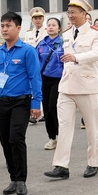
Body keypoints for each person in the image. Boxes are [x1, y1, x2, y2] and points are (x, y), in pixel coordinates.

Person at [0, 12, 42, 195]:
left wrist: (36, 103)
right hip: (2, 103)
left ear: (18, 28)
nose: (4, 29)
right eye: (2, 26)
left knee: (16, 138)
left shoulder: (27, 51)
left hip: (21, 102)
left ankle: (21, 180)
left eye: (8, 26)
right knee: (5, 141)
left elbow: (35, 78)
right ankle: (13, 177)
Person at [45, 0, 98, 180]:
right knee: (64, 126)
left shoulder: (97, 33)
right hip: (66, 86)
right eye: (68, 12)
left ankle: (93, 162)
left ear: (84, 13)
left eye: (73, 12)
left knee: (92, 127)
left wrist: (77, 57)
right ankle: (61, 165)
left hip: (86, 86)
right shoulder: (66, 33)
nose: (70, 16)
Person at [36, 17, 64, 150]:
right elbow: (35, 62)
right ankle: (52, 138)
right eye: (49, 25)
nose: (51, 27)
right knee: (46, 109)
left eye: (54, 25)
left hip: (58, 79)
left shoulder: (63, 43)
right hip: (44, 79)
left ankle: (61, 135)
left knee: (53, 107)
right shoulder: (41, 44)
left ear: (59, 28)